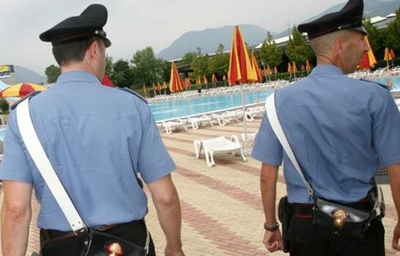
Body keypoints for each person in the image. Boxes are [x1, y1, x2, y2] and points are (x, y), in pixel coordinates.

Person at [0, 4, 185, 256]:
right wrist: (174, 248)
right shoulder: (132, 106)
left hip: (60, 246)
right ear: (94, 50)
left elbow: (16, 209)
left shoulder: (23, 116)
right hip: (127, 246)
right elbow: (165, 197)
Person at [252, 0, 400, 255]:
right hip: (358, 226)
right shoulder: (374, 97)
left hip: (303, 227)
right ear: (340, 46)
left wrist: (271, 224)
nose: (366, 48)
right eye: (360, 40)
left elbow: (267, 173)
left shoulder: (279, 102)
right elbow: (396, 168)